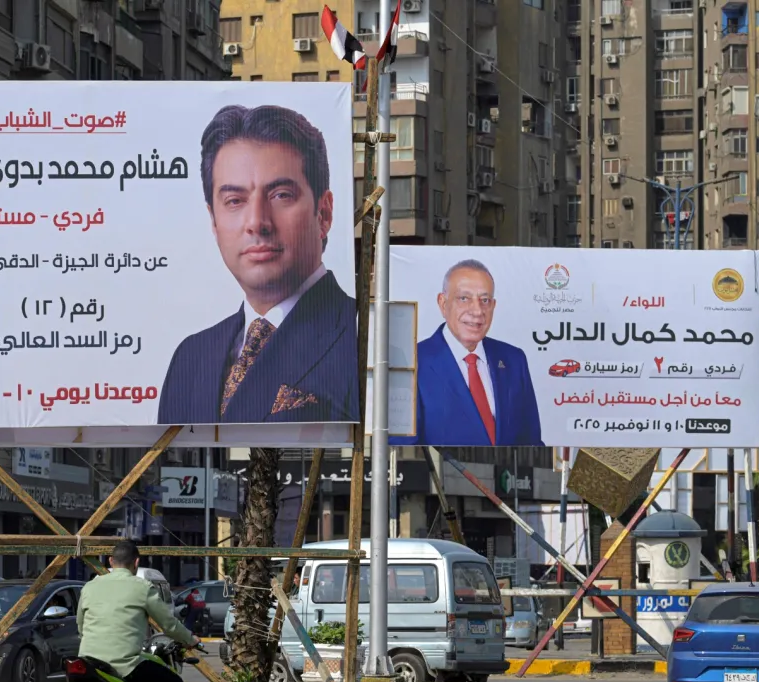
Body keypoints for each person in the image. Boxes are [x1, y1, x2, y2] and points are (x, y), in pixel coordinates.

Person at [157, 103, 359, 425]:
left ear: (324, 213)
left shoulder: (366, 339)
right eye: (234, 201)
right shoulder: (190, 358)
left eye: (280, 195)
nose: (256, 222)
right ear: (213, 220)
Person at [390, 259, 543, 447]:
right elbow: (402, 449)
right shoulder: (410, 364)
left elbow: (532, 442)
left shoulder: (513, 360)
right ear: (443, 303)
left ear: (493, 306)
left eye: (484, 300)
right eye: (464, 298)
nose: (477, 310)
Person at [77, 541, 201, 682]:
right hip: (124, 664)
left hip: (89, 661)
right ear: (136, 563)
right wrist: (190, 639)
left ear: (110, 562)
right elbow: (169, 625)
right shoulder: (142, 588)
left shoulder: (89, 587)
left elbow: (80, 624)